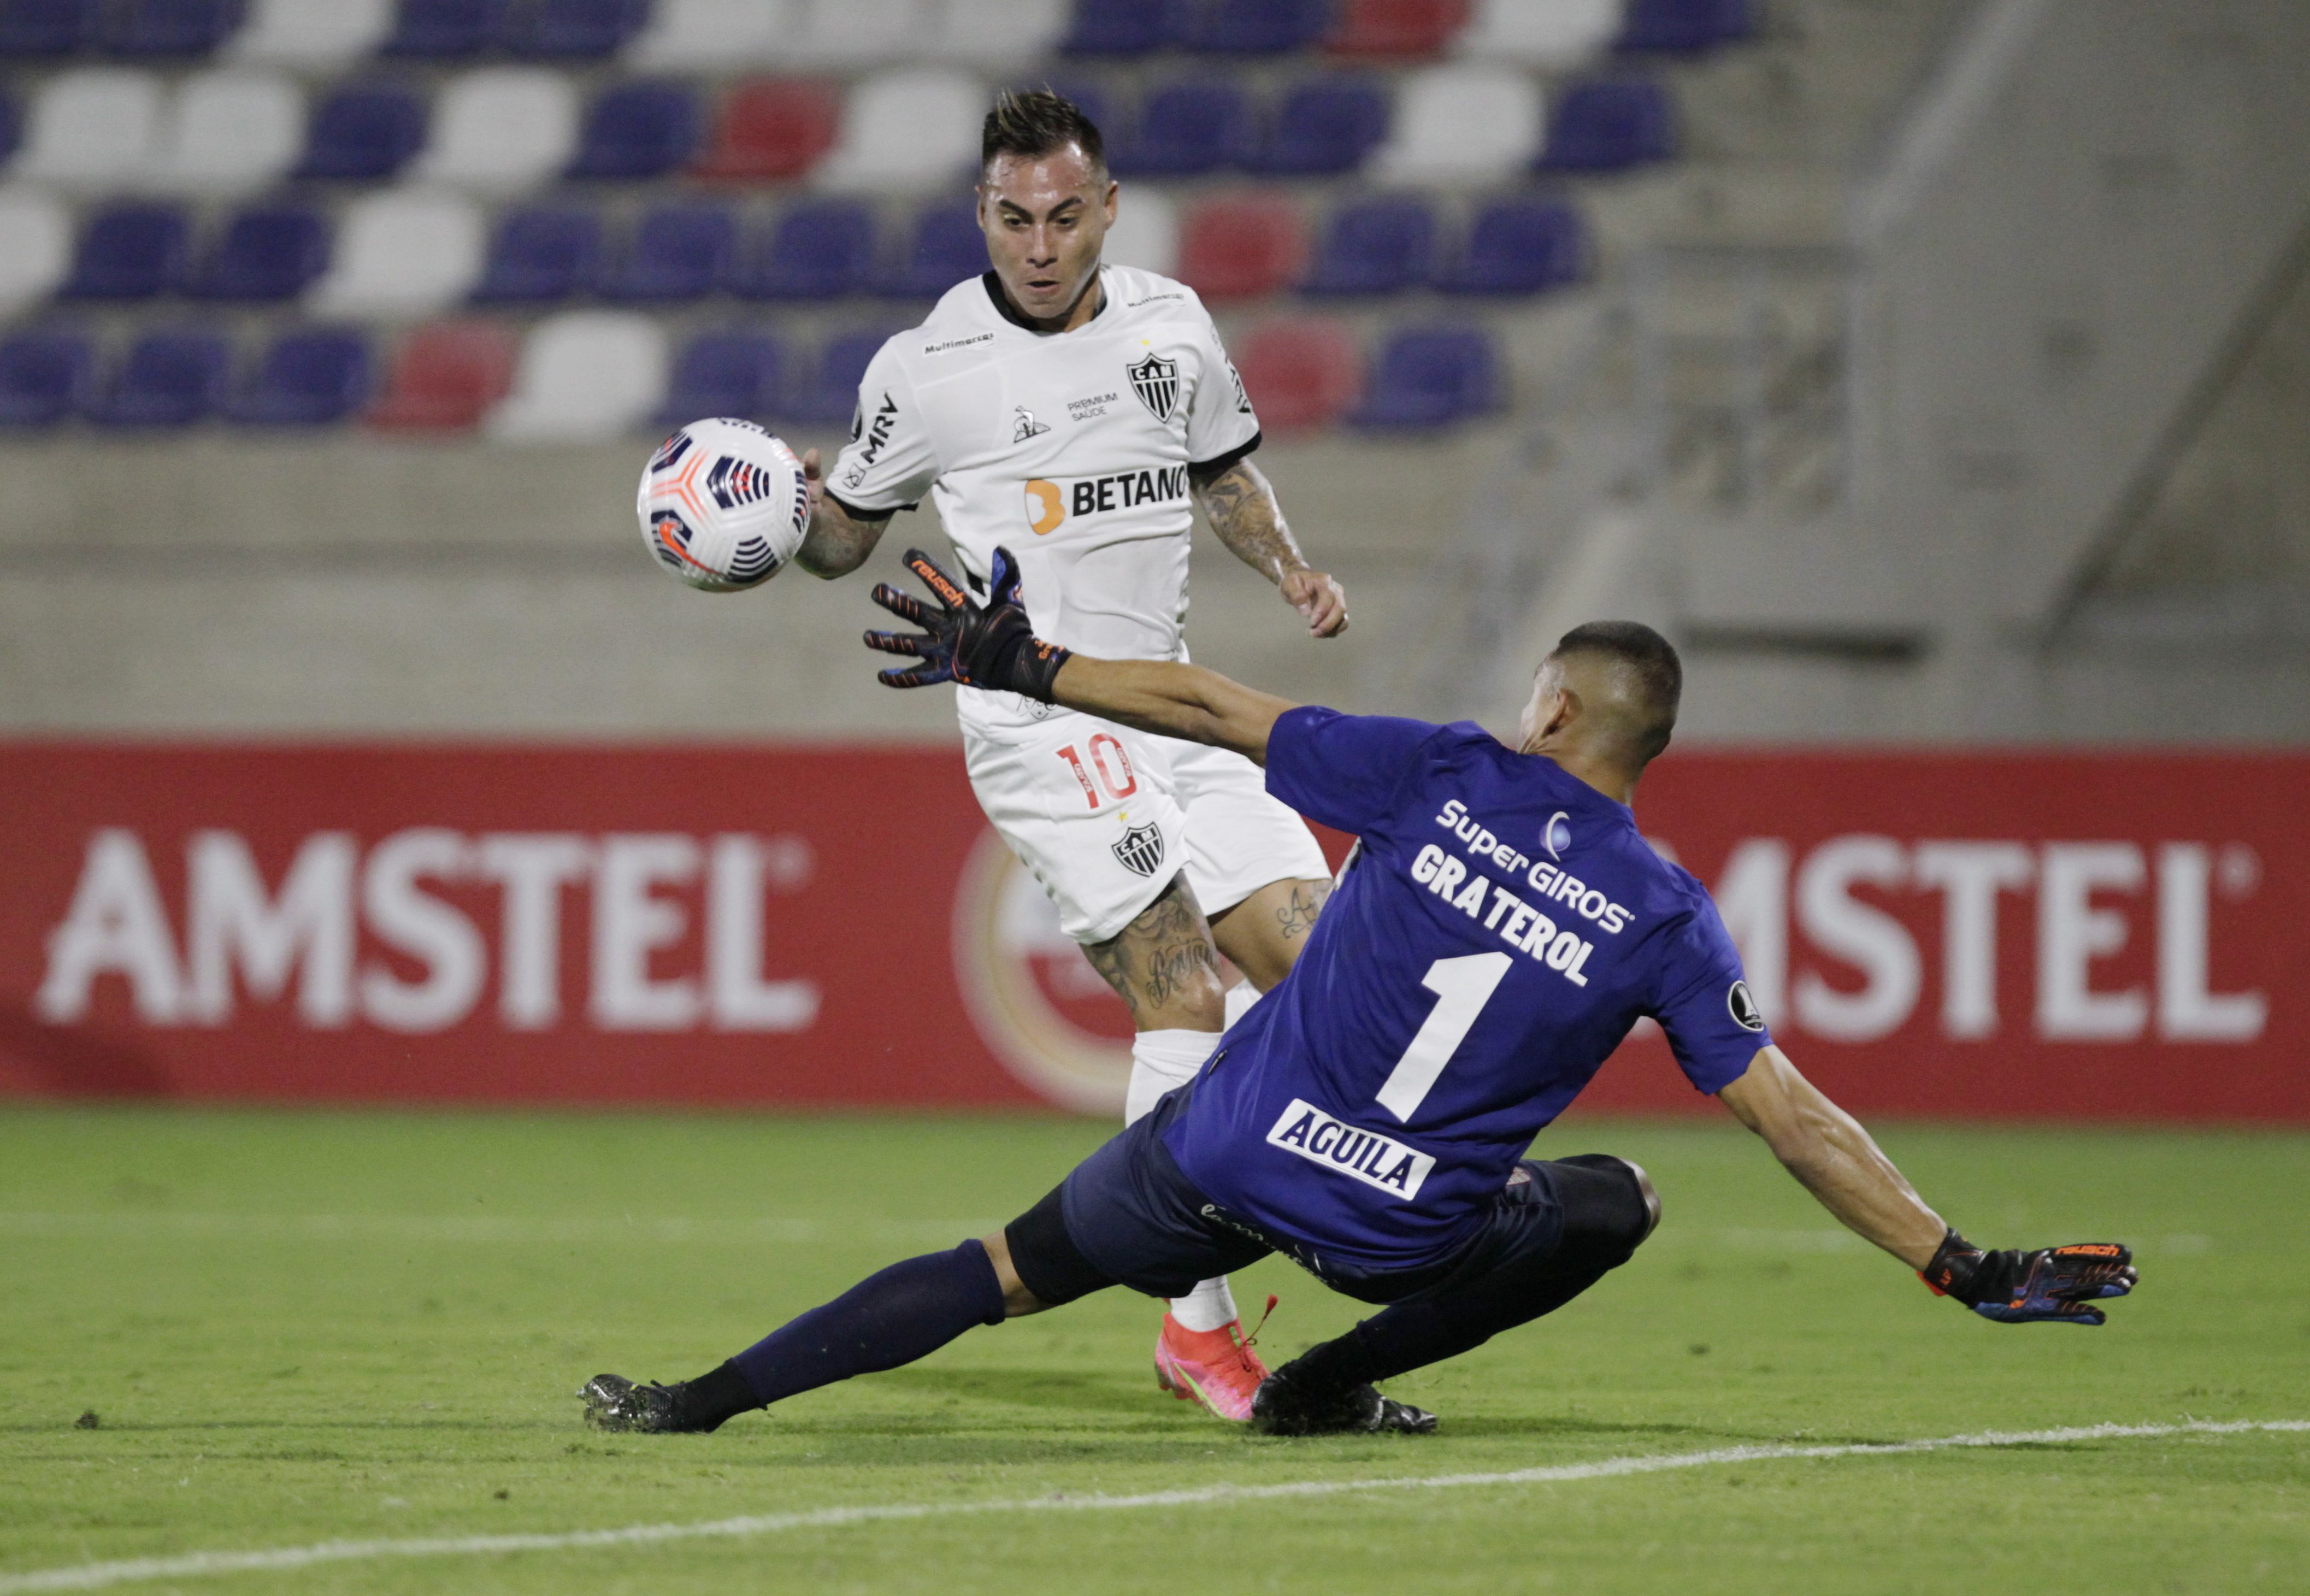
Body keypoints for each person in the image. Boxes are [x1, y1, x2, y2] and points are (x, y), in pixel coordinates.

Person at [579, 552, 2137, 1438]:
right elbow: (1795, 1122)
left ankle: (696, 1401)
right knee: (1617, 1200)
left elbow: (1206, 703)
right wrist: (1956, 1264)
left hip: (1227, 1154)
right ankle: (1320, 1384)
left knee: (994, 1268)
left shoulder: (1443, 772)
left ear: (1550, 706)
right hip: (1402, 1234)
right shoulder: (1664, 916)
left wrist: (1026, 662)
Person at [782, 89, 1347, 1419]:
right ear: (981, 212)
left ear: (1105, 210)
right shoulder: (924, 370)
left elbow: (1223, 473)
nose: (1038, 243)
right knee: (1179, 991)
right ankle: (1194, 1328)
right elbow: (842, 538)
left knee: (1323, 969)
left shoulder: (1171, 325)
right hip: (1038, 723)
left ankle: (1248, 1181)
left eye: (1062, 215)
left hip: (1174, 702)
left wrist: (1291, 569)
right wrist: (778, 518)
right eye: (1011, 217)